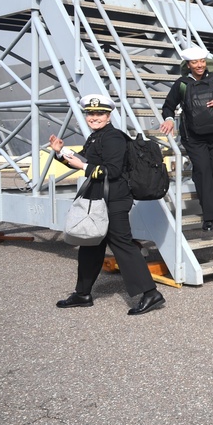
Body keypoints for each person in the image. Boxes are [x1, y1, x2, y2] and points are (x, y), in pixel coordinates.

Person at [50, 94, 165, 315]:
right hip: (101, 198)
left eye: (99, 113)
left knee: (122, 244)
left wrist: (83, 168)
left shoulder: (113, 137)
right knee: (90, 244)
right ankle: (82, 293)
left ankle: (150, 293)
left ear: (108, 115)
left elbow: (111, 170)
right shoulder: (96, 136)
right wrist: (60, 152)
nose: (94, 117)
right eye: (90, 113)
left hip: (115, 199)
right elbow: (83, 159)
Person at [159, 46, 213, 232]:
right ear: (188, 65)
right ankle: (209, 216)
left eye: (202, 61)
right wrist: (169, 120)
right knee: (202, 172)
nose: (199, 65)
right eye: (195, 62)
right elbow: (168, 106)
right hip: (194, 138)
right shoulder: (182, 84)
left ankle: (211, 205)